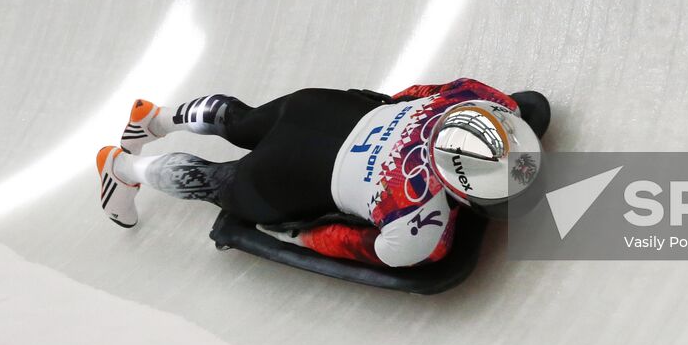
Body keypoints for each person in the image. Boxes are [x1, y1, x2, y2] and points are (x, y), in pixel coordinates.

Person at [96, 78, 543, 268]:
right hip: (291, 174)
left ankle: (158, 116)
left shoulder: (480, 96)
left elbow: (410, 94)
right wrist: (287, 234)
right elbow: (346, 242)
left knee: (245, 120)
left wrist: (385, 114)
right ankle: (123, 167)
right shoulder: (420, 227)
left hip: (321, 108)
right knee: (219, 183)